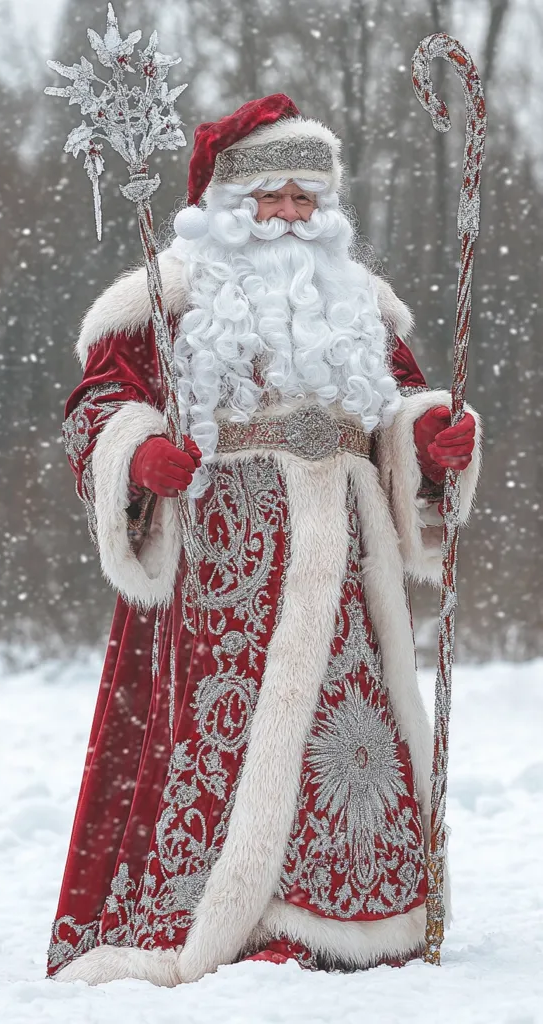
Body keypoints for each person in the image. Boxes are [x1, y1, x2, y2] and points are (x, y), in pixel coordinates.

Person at [50, 94, 480, 986]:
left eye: (307, 200)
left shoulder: (359, 303)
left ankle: (354, 917)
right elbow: (95, 408)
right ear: (226, 205)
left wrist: (428, 440)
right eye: (272, 197)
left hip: (350, 563)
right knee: (230, 731)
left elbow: (396, 406)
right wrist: (138, 455)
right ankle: (228, 919)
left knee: (343, 726)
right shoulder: (163, 301)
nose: (291, 217)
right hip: (225, 566)